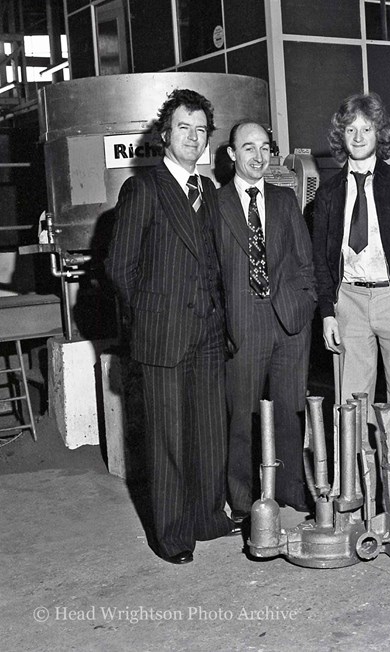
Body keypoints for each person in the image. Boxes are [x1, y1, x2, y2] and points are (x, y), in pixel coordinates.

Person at [105, 89, 240, 565]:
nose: (193, 137)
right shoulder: (143, 188)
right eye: (184, 127)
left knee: (208, 433)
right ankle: (173, 534)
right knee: (167, 440)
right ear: (165, 134)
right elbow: (120, 267)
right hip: (164, 335)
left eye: (201, 130)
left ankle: (207, 516)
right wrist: (153, 318)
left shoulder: (207, 189)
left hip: (207, 333)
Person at [313, 93, 390, 520]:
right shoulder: (328, 194)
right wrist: (327, 310)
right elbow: (321, 259)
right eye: (351, 130)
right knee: (351, 404)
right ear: (341, 137)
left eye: (367, 129)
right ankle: (354, 494)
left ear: (379, 134)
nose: (359, 136)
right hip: (348, 300)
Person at [216, 121, 316, 520]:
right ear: (232, 154)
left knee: (292, 413)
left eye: (264, 148)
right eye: (248, 148)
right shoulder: (215, 203)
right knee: (242, 417)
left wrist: (305, 304)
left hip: (290, 322)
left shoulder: (284, 199)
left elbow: (304, 261)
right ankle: (242, 499)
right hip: (243, 323)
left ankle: (293, 489)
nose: (258, 157)